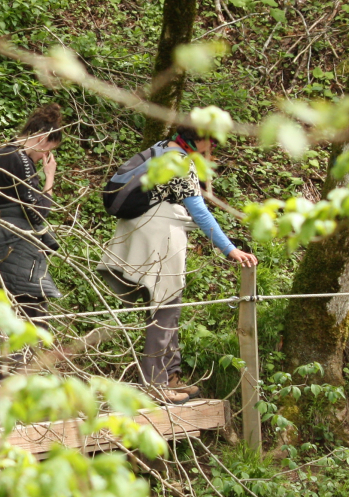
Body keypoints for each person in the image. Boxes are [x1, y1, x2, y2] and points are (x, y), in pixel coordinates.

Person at [98, 126, 257, 400]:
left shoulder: (159, 150)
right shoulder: (180, 161)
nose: (213, 150)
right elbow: (200, 213)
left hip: (139, 232)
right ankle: (156, 385)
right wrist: (230, 249)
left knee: (168, 304)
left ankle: (171, 376)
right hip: (160, 237)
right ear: (202, 138)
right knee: (165, 306)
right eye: (213, 143)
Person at [0, 103, 65, 319]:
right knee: (31, 312)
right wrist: (49, 177)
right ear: (43, 138)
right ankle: (29, 354)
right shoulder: (19, 159)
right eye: (49, 150)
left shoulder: (2, 156)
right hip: (12, 245)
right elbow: (38, 213)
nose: (46, 157)